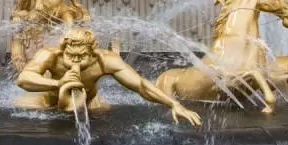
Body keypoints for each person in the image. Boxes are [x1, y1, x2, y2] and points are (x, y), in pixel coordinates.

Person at [15, 27, 202, 126]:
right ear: (62, 50)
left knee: (100, 115)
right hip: (47, 99)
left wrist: (173, 104)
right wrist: (59, 83)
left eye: (81, 57)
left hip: (88, 101)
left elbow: (141, 85)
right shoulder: (50, 55)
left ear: (93, 52)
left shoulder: (105, 60)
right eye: (70, 56)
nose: (75, 62)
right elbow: (23, 79)